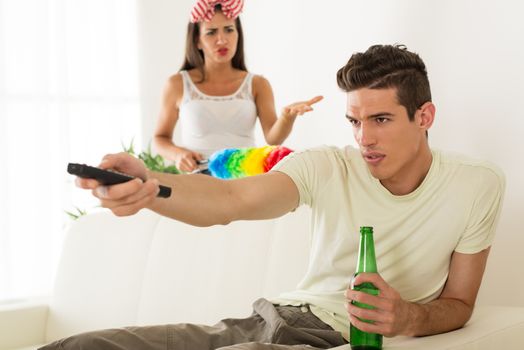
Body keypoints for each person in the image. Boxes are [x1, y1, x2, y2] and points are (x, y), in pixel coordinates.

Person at [43, 44, 505, 349]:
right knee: (83, 346)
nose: (364, 138)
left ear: (424, 116)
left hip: (333, 338)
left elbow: (460, 304)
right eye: (354, 121)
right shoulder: (327, 165)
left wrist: (405, 317)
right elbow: (232, 200)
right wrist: (150, 185)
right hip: (269, 318)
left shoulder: (476, 184)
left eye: (380, 120)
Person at [154, 0, 322, 173]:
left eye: (229, 29)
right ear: (197, 41)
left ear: (238, 34)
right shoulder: (177, 84)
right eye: (211, 33)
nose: (221, 40)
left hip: (245, 183)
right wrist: (178, 155)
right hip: (198, 184)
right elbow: (160, 138)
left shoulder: (258, 84)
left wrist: (287, 117)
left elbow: (273, 139)